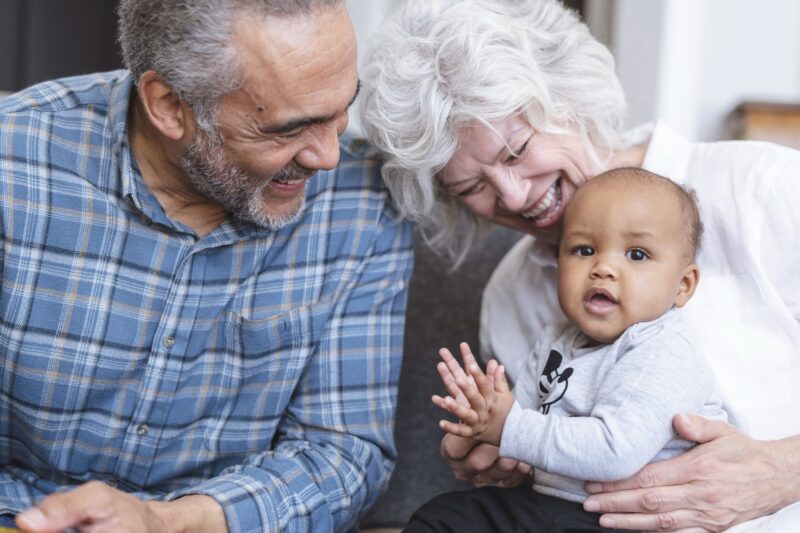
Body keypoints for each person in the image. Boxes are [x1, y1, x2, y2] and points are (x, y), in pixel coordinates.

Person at [359, 0, 800, 531]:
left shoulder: (763, 190)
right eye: (471, 187)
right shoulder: (509, 295)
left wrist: (784, 470)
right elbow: (549, 455)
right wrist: (504, 452)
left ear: (568, 99)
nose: (515, 196)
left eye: (516, 151)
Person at [0, 1, 412, 532]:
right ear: (169, 106)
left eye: (340, 112)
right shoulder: (15, 165)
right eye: (289, 129)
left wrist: (164, 522)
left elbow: (341, 453)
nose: (328, 156)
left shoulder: (362, 205)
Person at [414, 168, 727, 531]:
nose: (604, 267)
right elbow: (522, 427)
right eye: (584, 250)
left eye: (637, 254)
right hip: (547, 504)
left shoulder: (666, 351)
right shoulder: (556, 341)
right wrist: (483, 425)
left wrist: (509, 427)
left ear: (683, 285)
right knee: (444, 517)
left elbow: (615, 451)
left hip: (626, 519)